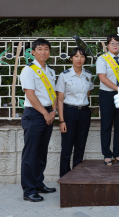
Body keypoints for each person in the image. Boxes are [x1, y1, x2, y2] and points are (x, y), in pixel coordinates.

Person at [20, 38, 57, 202]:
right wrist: (45, 113)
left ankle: (38, 183)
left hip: (48, 113)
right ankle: (29, 190)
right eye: (40, 49)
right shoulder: (28, 70)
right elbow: (30, 95)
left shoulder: (50, 71)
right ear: (33, 52)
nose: (43, 52)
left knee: (42, 152)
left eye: (46, 49)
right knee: (30, 153)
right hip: (34, 114)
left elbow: (53, 94)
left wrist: (53, 111)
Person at [56, 47, 94, 178]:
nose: (79, 59)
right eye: (76, 56)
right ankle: (65, 178)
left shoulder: (88, 75)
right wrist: (61, 120)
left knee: (80, 146)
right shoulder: (64, 75)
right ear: (71, 58)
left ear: (85, 59)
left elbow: (87, 92)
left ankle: (76, 177)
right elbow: (60, 99)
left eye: (82, 56)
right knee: (67, 148)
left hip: (84, 112)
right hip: (69, 112)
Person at [96, 34, 119, 166]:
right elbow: (102, 78)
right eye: (112, 43)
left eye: (117, 43)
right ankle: (107, 154)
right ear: (107, 45)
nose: (115, 45)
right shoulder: (102, 59)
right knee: (106, 125)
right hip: (107, 95)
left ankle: (117, 153)